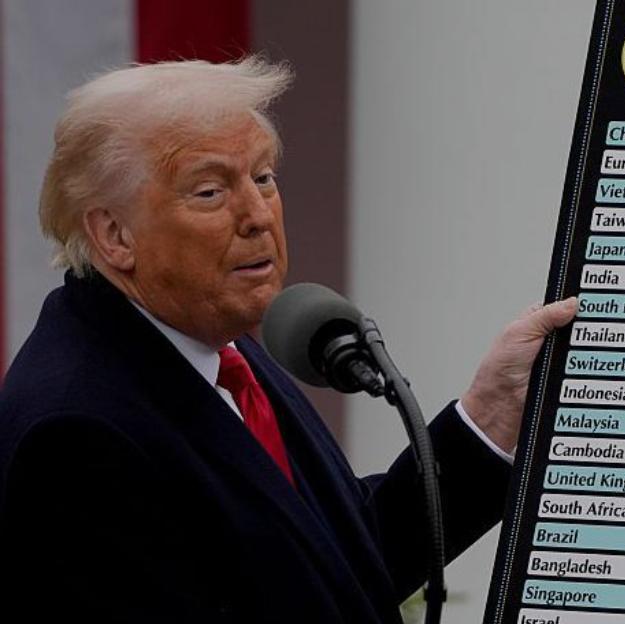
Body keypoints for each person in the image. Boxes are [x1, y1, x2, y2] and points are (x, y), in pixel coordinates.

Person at [0, 57, 576, 622]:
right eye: (210, 192)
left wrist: (491, 415)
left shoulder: (210, 341)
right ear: (115, 235)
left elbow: (338, 569)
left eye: (263, 177)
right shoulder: (75, 434)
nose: (257, 215)